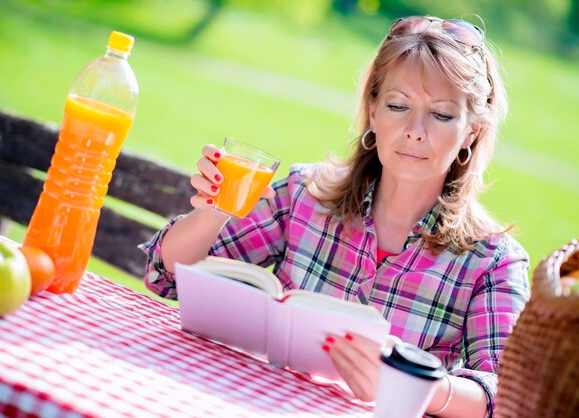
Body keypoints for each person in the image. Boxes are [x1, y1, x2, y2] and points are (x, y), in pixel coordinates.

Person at [140, 15, 530, 418]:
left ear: (471, 131)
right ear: (373, 112)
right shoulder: (303, 194)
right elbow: (167, 276)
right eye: (398, 106)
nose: (415, 130)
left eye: (442, 115)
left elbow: (504, 399)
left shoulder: (494, 262)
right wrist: (212, 213)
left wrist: (405, 384)